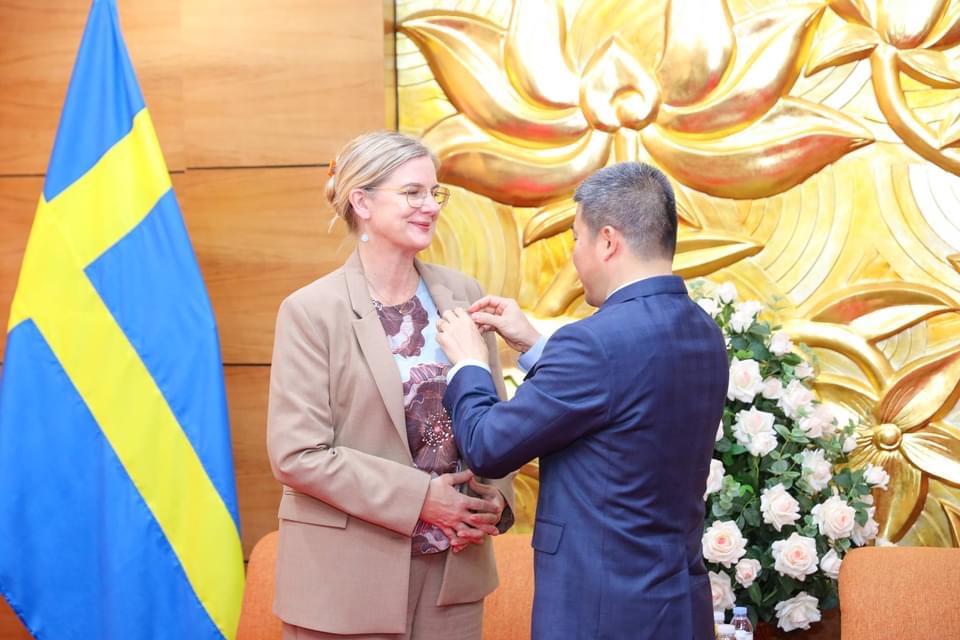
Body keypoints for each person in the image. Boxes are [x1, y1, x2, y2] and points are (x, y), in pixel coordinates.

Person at [436, 162, 729, 639]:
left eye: (576, 238)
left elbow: (488, 446)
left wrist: (469, 364)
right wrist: (534, 344)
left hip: (600, 611)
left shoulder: (593, 344)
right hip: (677, 606)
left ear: (608, 241)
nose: (573, 255)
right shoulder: (702, 331)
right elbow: (626, 398)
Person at [266, 131, 515, 640]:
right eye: (412, 192)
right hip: (345, 582)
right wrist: (422, 498)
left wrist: (496, 496)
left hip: (454, 575)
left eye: (434, 192)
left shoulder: (461, 294)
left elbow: (495, 418)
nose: (430, 206)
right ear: (362, 200)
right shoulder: (312, 311)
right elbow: (297, 454)